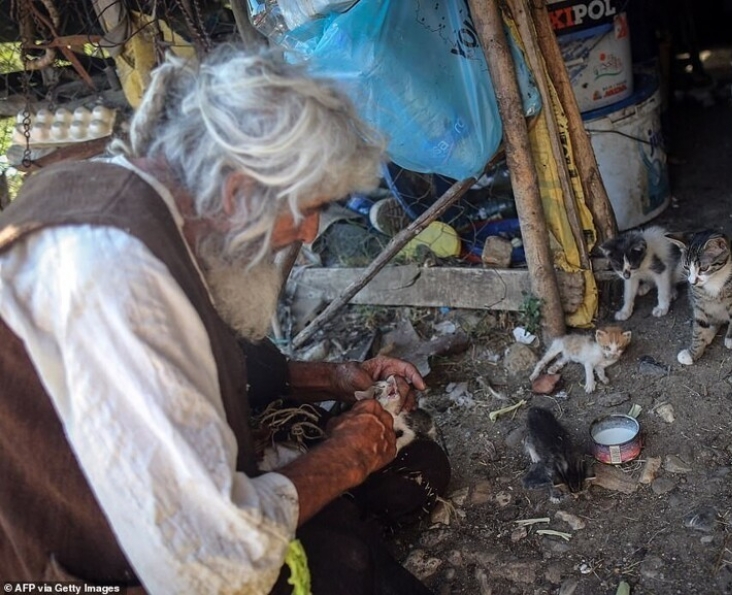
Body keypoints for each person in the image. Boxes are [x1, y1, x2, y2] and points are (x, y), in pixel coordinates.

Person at [0, 44, 450, 594]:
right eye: (307, 208)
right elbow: (214, 561)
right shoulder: (118, 277)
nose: (310, 234)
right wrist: (346, 457)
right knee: (347, 558)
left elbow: (224, 365)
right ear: (239, 192)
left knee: (412, 474)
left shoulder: (149, 204)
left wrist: (334, 379)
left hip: (173, 518)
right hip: (90, 569)